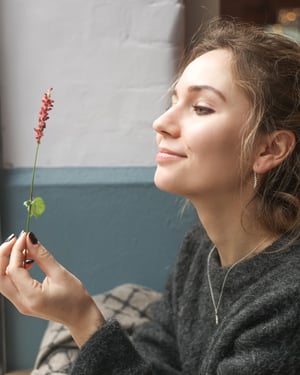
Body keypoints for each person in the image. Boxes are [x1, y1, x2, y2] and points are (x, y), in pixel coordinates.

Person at [0, 17, 300, 374]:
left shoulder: (288, 300)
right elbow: (154, 355)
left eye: (201, 107)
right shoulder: (201, 249)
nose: (160, 122)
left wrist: (81, 318)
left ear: (269, 148)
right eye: (173, 101)